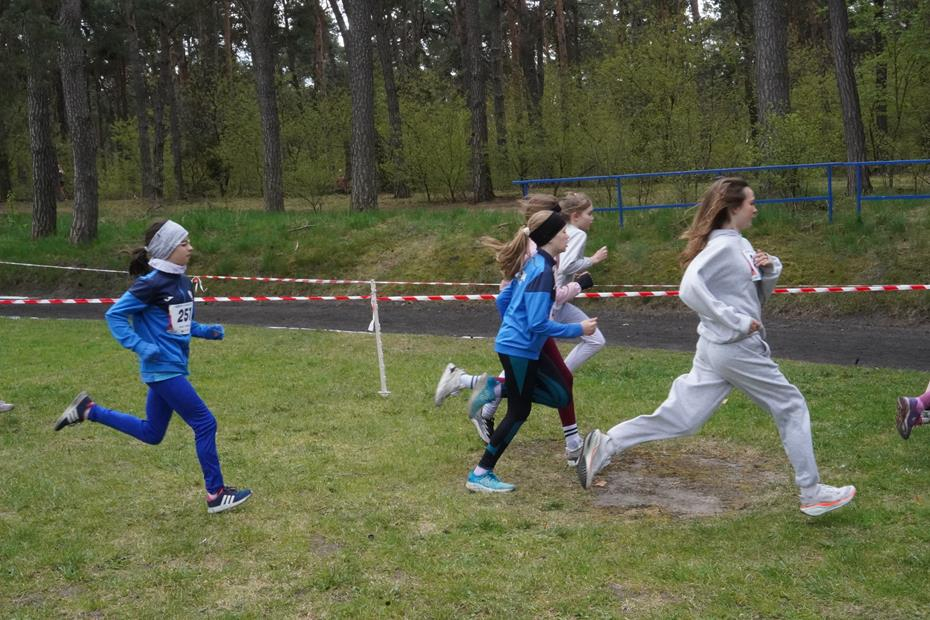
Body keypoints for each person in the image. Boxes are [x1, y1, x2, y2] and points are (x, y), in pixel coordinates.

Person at [575, 177, 856, 516]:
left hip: (717, 346)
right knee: (791, 407)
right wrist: (735, 321)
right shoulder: (723, 247)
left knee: (684, 418)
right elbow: (689, 289)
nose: (756, 209)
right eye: (751, 202)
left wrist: (769, 269)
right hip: (735, 347)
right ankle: (812, 493)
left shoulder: (739, 243)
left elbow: (754, 296)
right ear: (734, 208)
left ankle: (606, 444)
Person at [53, 220, 251, 514]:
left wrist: (204, 330)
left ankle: (88, 410)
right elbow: (115, 315)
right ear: (167, 248)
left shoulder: (183, 283)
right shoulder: (150, 284)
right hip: (162, 369)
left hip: (173, 365)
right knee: (205, 423)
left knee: (152, 433)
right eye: (184, 243)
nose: (190, 248)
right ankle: (216, 494)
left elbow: (179, 324)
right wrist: (140, 346)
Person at [435, 194, 595, 464]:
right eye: (561, 225)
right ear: (548, 227)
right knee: (534, 397)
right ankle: (472, 386)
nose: (566, 231)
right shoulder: (539, 257)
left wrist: (512, 323)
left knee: (553, 386)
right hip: (530, 332)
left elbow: (509, 296)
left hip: (527, 331)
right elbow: (540, 298)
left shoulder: (537, 249)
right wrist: (579, 289)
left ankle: (571, 444)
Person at [466, 210, 597, 492]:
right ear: (550, 237)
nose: (567, 236)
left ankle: (492, 389)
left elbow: (504, 299)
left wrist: (512, 325)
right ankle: (481, 473)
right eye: (563, 232)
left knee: (560, 393)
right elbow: (538, 323)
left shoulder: (536, 264)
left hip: (519, 346)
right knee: (519, 411)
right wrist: (579, 329)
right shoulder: (542, 272)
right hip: (519, 349)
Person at [553, 192, 608, 372]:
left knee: (596, 340)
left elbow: (563, 264)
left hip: (559, 301)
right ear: (575, 216)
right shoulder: (577, 234)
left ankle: (562, 376)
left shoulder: (563, 231)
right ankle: (497, 386)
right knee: (533, 352)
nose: (592, 218)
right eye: (589, 213)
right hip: (551, 303)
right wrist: (593, 260)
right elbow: (565, 266)